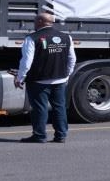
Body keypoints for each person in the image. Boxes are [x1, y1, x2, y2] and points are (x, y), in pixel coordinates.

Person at [15, 12, 77, 143]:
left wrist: (20, 78)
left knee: (40, 108)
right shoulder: (66, 37)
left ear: (40, 22)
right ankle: (61, 135)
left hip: (39, 80)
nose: (34, 24)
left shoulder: (32, 38)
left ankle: (39, 135)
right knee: (59, 107)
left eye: (35, 21)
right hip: (60, 79)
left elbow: (26, 61)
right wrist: (67, 75)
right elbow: (72, 59)